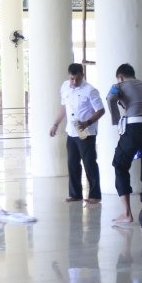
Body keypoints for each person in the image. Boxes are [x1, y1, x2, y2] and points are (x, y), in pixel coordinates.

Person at [107, 63, 142, 224]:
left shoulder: (118, 85)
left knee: (120, 165)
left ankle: (126, 214)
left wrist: (117, 121)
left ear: (120, 77)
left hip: (133, 126)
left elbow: (110, 98)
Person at [50, 62, 105, 204]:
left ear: (83, 75)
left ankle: (95, 195)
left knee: (89, 163)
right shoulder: (65, 87)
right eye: (72, 78)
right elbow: (64, 108)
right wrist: (55, 124)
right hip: (71, 130)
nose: (74, 81)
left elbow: (101, 110)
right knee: (72, 163)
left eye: (77, 78)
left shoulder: (90, 90)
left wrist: (88, 122)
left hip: (85, 130)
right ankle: (75, 194)